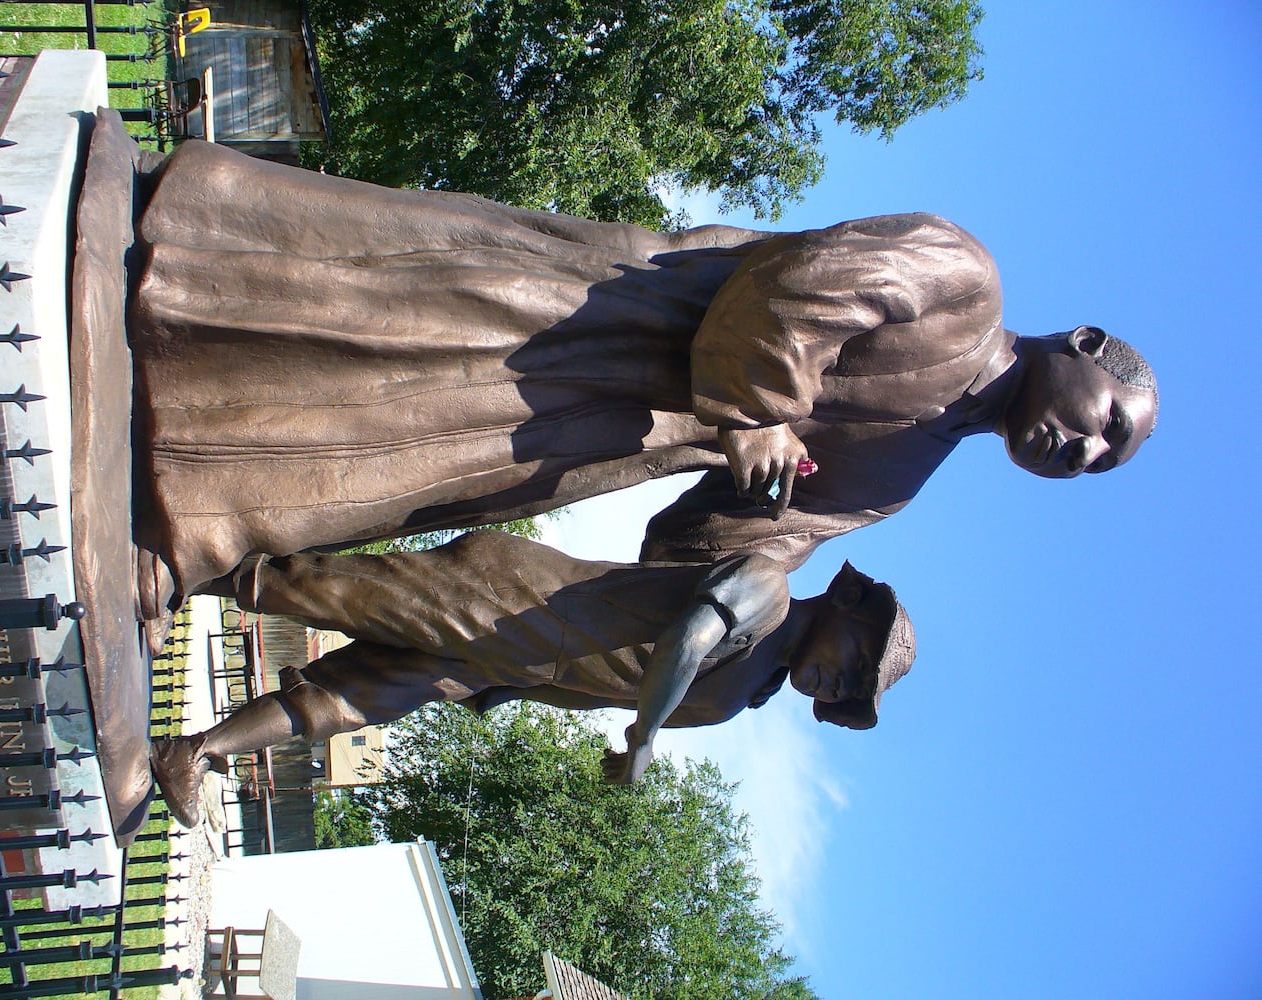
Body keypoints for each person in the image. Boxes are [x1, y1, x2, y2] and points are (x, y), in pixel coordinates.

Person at [128, 140, 1158, 614]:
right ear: (1083, 343)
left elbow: (733, 532)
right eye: (1108, 421)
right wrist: (758, 410)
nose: (1086, 450)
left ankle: (195, 515)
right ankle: (186, 273)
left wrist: (747, 588)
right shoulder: (962, 280)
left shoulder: (898, 481)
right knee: (396, 310)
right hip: (617, 313)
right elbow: (800, 287)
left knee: (405, 469)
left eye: (1103, 463)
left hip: (615, 435)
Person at [150, 531, 915, 827]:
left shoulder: (732, 703)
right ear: (846, 601)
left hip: (509, 659)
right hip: (515, 602)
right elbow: (687, 636)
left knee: (347, 704)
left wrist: (506, 689)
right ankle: (176, 567)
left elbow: (601, 687)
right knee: (327, 587)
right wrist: (644, 737)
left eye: (848, 694)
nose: (839, 685)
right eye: (855, 663)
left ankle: (196, 752)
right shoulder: (770, 590)